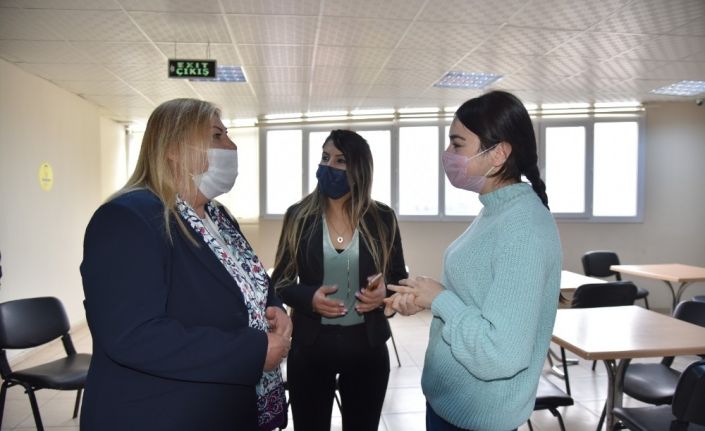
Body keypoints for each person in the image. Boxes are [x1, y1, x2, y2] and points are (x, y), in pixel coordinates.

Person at [80, 98, 291, 431]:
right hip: (161, 413)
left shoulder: (219, 217)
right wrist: (252, 352)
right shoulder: (127, 219)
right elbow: (133, 334)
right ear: (173, 149)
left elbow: (249, 281)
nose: (231, 145)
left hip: (223, 407)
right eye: (217, 135)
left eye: (227, 135)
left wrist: (274, 307)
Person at [385, 90, 562, 431]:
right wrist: (427, 300)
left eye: (457, 144)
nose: (448, 154)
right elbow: (477, 300)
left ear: (498, 153)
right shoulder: (496, 211)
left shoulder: (524, 226)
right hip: (452, 405)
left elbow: (501, 354)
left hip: (478, 416)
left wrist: (440, 299)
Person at [270, 129, 408, 431]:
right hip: (310, 348)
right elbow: (280, 281)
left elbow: (398, 277)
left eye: (340, 160)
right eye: (325, 157)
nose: (328, 166)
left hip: (367, 348)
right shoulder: (298, 216)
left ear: (359, 169)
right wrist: (309, 298)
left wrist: (384, 295)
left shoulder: (382, 217)